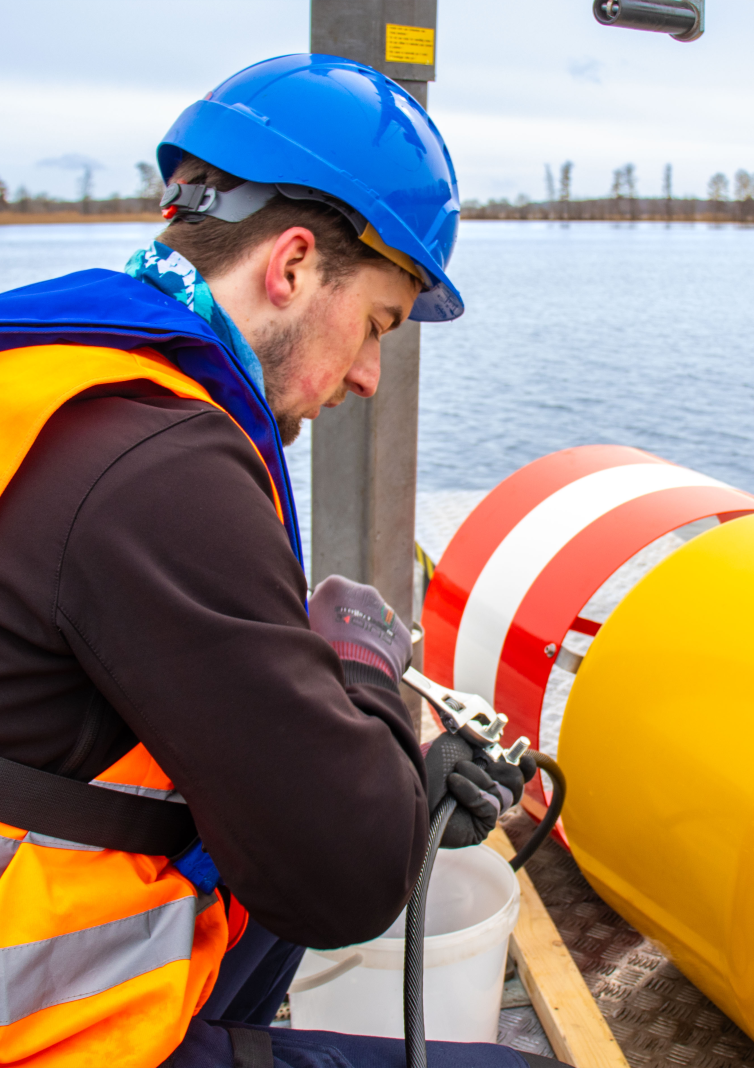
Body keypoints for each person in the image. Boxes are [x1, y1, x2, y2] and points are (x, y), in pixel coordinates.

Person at [0, 54, 549, 1068]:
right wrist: (365, 667)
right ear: (291, 266)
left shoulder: (50, 375)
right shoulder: (161, 468)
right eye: (378, 323)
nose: (372, 376)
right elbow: (343, 879)